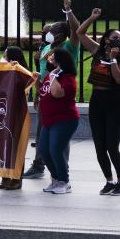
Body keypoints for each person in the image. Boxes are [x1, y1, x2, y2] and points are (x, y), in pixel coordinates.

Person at [23, 0, 83, 180]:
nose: (49, 33)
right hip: (45, 95)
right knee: (43, 133)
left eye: (54, 31)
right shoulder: (47, 48)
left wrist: (68, 11)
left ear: (63, 33)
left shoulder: (69, 46)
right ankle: (39, 164)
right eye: (49, 31)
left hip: (61, 94)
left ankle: (61, 169)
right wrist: (38, 94)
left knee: (60, 136)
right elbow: (42, 72)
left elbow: (76, 29)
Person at [78, 7, 120, 196]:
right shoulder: (97, 50)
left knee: (111, 145)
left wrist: (113, 60)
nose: (119, 39)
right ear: (107, 39)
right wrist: (92, 17)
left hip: (115, 103)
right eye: (115, 37)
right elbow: (80, 33)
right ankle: (109, 180)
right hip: (97, 101)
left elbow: (119, 80)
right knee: (99, 146)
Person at [38, 47, 80, 195]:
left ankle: (64, 181)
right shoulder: (52, 75)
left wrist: (53, 76)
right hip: (49, 120)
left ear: (59, 61)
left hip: (64, 120)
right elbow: (44, 92)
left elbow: (56, 93)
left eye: (52, 57)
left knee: (56, 150)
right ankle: (55, 179)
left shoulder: (67, 78)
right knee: (43, 150)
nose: (49, 59)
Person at [0, 45, 36, 190]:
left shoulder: (20, 71)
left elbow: (30, 80)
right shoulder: (4, 69)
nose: (3, 56)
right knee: (4, 147)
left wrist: (16, 68)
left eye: (5, 54)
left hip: (17, 113)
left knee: (16, 146)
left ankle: (16, 179)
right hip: (3, 113)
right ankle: (5, 177)